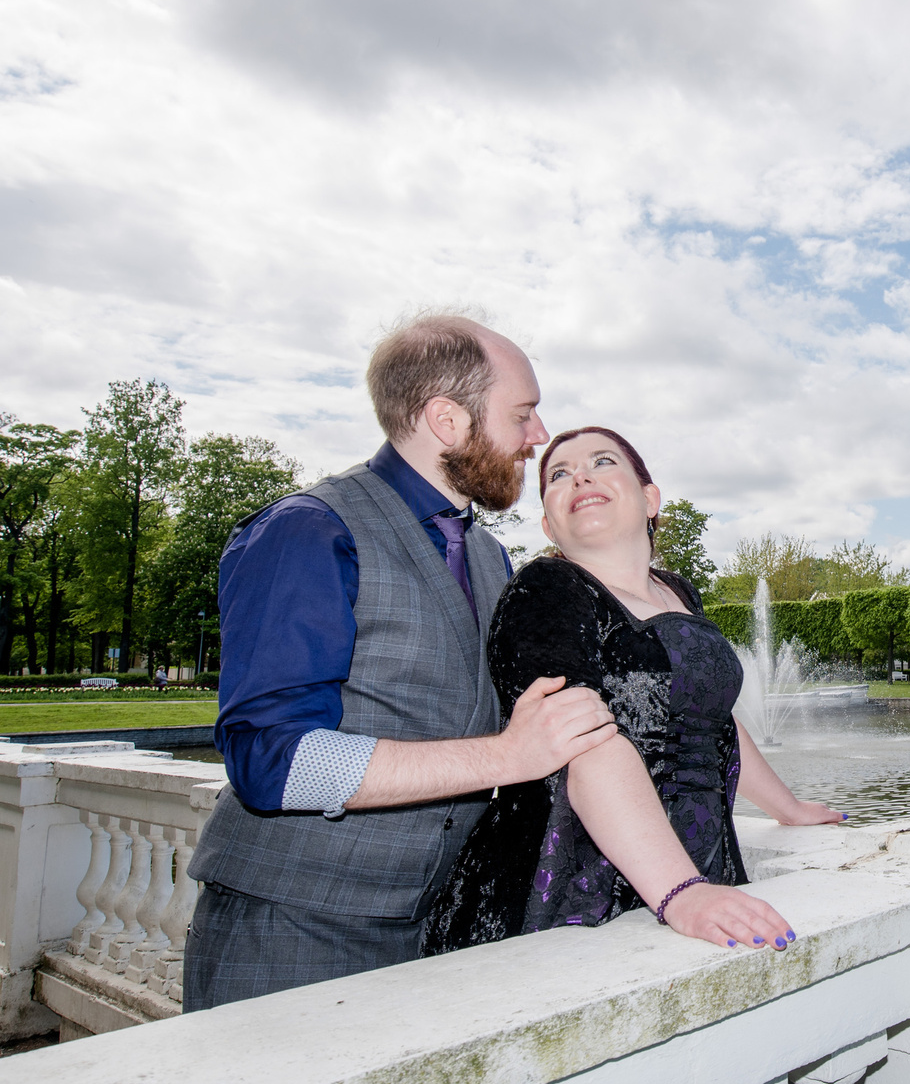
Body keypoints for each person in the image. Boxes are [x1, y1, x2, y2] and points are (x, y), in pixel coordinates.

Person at [412, 425, 843, 1084]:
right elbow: (581, 739)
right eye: (558, 473)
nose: (577, 478)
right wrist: (680, 890)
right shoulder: (546, 593)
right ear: (549, 515)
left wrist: (789, 806)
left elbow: (716, 720)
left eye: (602, 462)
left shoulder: (676, 594)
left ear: (653, 496)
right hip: (568, 886)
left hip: (673, 874)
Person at [184, 312, 619, 1009]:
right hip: (290, 932)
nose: (538, 436)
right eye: (524, 414)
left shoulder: (487, 554)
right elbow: (275, 761)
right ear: (447, 420)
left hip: (431, 931)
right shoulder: (307, 529)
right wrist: (508, 757)